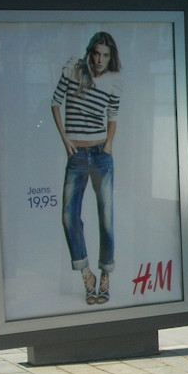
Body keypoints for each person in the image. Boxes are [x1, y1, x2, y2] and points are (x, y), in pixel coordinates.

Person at [51, 32, 122, 305]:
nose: (100, 59)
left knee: (106, 217)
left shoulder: (114, 80)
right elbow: (56, 103)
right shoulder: (74, 71)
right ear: (90, 52)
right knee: (70, 216)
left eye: (105, 54)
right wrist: (65, 140)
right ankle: (86, 275)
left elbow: (112, 116)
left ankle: (105, 276)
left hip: (101, 153)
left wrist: (109, 146)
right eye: (96, 53)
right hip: (77, 154)